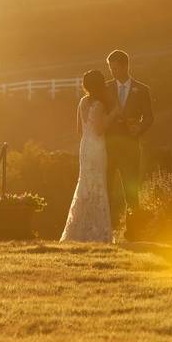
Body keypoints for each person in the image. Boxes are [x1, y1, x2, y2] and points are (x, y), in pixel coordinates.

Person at [60, 70, 121, 243]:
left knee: (85, 184)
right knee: (98, 184)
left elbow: (80, 129)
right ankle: (98, 230)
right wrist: (114, 113)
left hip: (85, 146)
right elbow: (100, 129)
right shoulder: (100, 104)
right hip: (97, 147)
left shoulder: (82, 102)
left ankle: (79, 229)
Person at [104, 49, 154, 241]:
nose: (112, 72)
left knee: (131, 191)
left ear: (125, 66)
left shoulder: (142, 90)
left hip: (131, 146)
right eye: (110, 68)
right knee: (106, 188)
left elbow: (149, 117)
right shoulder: (105, 88)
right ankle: (107, 230)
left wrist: (139, 128)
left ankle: (133, 232)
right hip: (108, 147)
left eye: (114, 68)